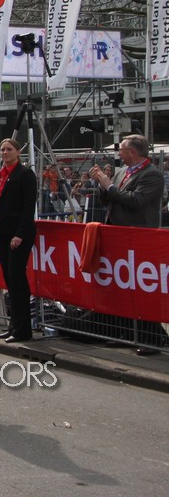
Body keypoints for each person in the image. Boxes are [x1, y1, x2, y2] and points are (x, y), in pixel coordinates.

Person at [89, 135, 165, 355]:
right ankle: (125, 332)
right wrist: (102, 185)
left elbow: (136, 201)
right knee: (122, 286)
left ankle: (150, 338)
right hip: (118, 235)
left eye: (121, 150)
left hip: (139, 237)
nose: (119, 153)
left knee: (143, 288)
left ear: (133, 152)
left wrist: (109, 185)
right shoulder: (122, 172)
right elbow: (110, 199)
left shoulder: (152, 175)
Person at [0, 138, 37, 343]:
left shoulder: (25, 174)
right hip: (2, 233)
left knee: (17, 279)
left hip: (17, 234)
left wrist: (20, 234)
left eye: (8, 149)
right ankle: (13, 325)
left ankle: (23, 329)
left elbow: (28, 207)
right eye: (2, 149)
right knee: (9, 280)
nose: (5, 152)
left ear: (17, 152)